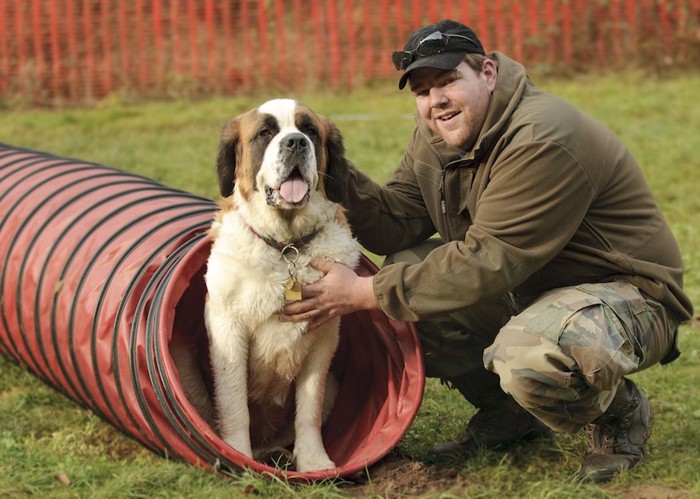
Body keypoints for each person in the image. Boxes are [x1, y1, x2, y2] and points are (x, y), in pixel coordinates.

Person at [281, 19, 693, 482]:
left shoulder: (542, 136)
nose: (435, 100)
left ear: (489, 74)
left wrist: (364, 292)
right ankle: (514, 414)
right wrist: (329, 161)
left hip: (626, 294)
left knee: (525, 355)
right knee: (405, 273)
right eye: (421, 90)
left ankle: (619, 414)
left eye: (448, 80)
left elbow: (492, 258)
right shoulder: (438, 133)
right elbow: (396, 224)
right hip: (533, 287)